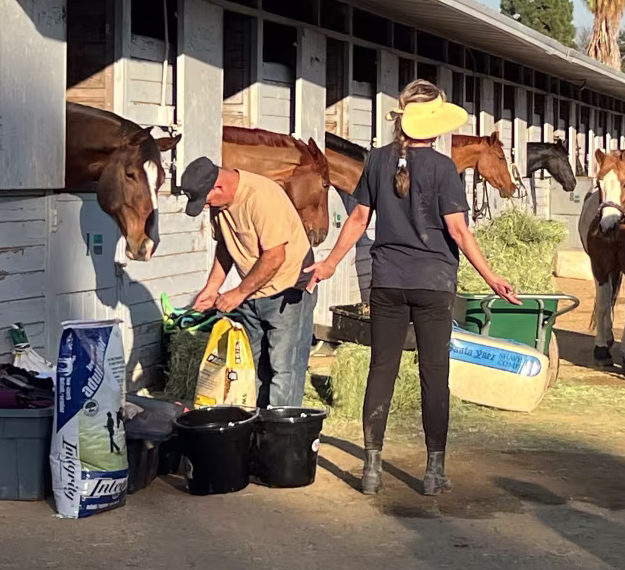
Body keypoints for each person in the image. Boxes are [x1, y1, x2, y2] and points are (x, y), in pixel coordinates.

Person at [307, 80, 519, 496]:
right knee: (434, 374)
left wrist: (330, 263)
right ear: (434, 126)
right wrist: (492, 277)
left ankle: (371, 469)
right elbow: (458, 230)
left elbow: (356, 220)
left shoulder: (378, 160)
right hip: (433, 282)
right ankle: (434, 471)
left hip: (387, 280)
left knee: (381, 370)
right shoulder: (442, 168)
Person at [182, 156, 317, 408]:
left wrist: (238, 293)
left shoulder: (260, 197)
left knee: (283, 369)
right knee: (250, 366)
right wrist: (212, 288)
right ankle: (253, 425)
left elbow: (276, 255)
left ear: (218, 187)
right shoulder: (219, 207)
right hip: (253, 292)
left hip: (287, 289)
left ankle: (280, 434)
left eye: (206, 200)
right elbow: (225, 246)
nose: (206, 207)